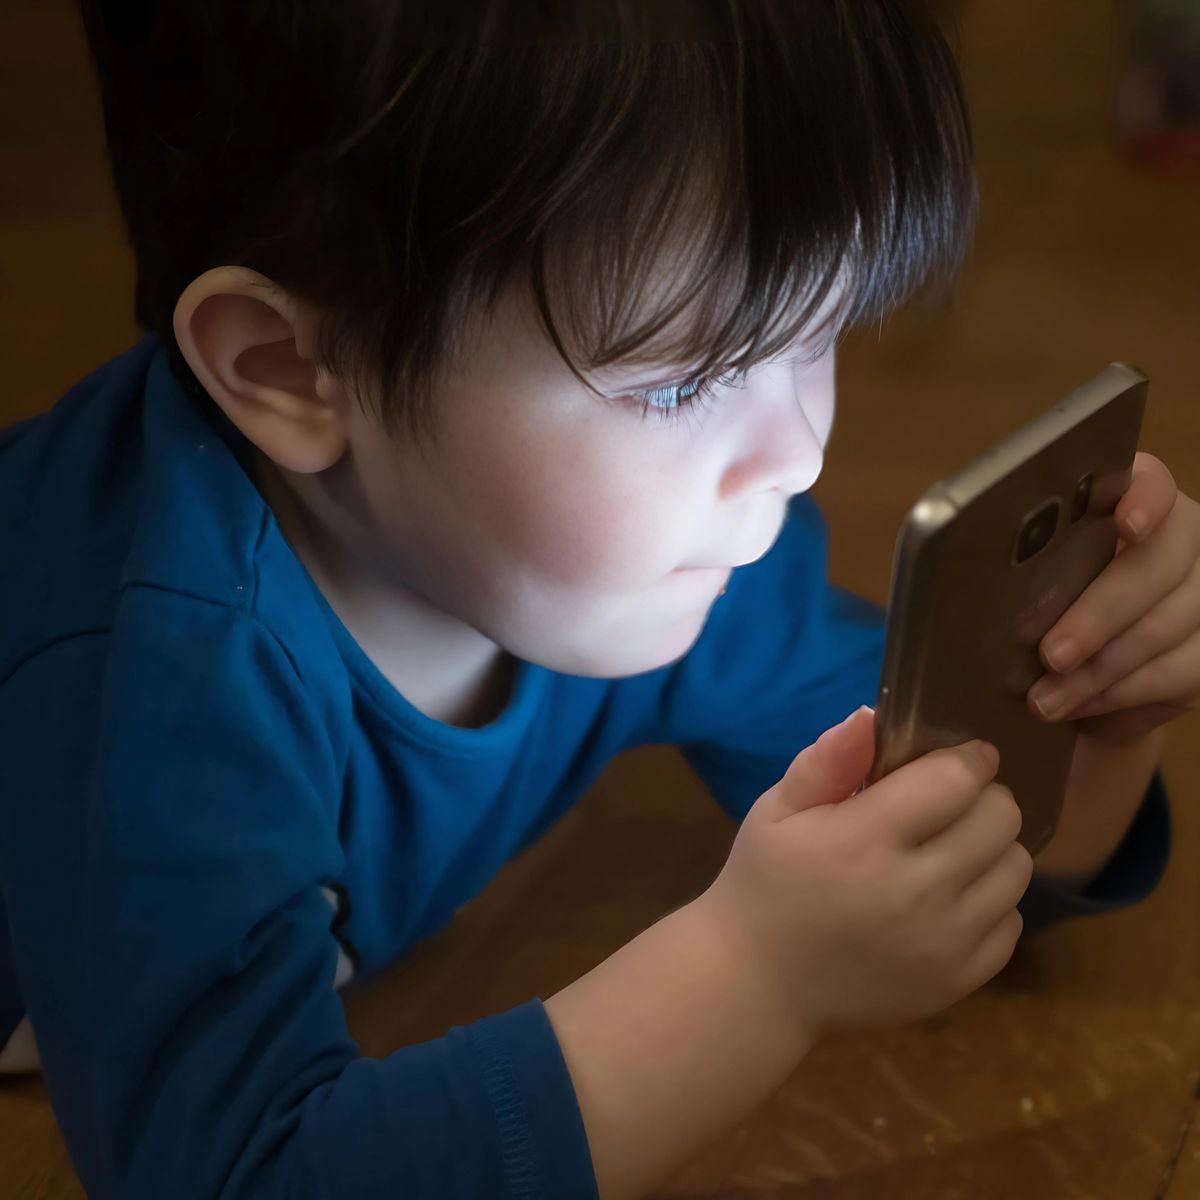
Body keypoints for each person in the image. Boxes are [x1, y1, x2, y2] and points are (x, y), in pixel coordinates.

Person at [0, 2, 1189, 1197]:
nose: (796, 455)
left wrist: (1092, 710)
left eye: (818, 327)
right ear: (291, 369)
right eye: (683, 384)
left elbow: (952, 855)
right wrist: (752, 976)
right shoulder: (159, 685)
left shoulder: (671, 551)